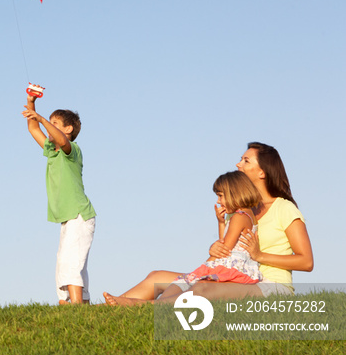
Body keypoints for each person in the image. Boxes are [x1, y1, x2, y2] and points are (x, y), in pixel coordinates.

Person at [104, 142, 313, 305]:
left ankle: (139, 306)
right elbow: (229, 249)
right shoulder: (242, 210)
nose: (238, 164)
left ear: (262, 172)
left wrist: (259, 255)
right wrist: (217, 243)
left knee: (202, 289)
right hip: (235, 276)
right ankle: (102, 310)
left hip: (270, 287)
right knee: (156, 277)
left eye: (246, 161)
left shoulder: (284, 208)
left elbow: (306, 262)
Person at [22, 93, 96, 304]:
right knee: (66, 264)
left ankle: (75, 310)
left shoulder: (71, 150)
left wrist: (43, 118)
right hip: (69, 218)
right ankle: (72, 306)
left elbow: (61, 139)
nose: (48, 127)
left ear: (68, 129)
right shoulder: (51, 151)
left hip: (79, 215)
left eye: (55, 124)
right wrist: (31, 104)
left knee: (70, 264)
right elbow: (32, 128)